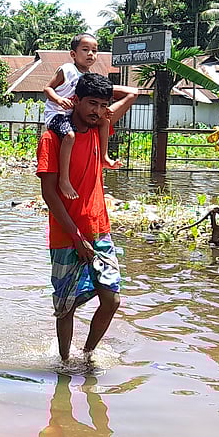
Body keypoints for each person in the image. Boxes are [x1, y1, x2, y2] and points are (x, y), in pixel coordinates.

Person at [37, 72, 138, 363]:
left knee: (111, 299)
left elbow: (132, 95)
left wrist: (106, 94)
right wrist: (76, 238)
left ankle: (88, 354)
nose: (97, 111)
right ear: (76, 101)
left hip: (99, 230)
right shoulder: (52, 137)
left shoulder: (99, 128)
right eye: (91, 103)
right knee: (65, 307)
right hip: (65, 236)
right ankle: (65, 361)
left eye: (103, 105)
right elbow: (50, 194)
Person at [44, 33, 118, 201]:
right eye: (85, 50)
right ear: (73, 54)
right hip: (58, 114)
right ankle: (64, 179)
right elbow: (47, 89)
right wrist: (58, 99)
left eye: (94, 50)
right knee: (70, 136)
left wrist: (102, 110)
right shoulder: (67, 70)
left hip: (73, 114)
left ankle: (105, 157)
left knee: (104, 122)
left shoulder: (88, 77)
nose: (90, 54)